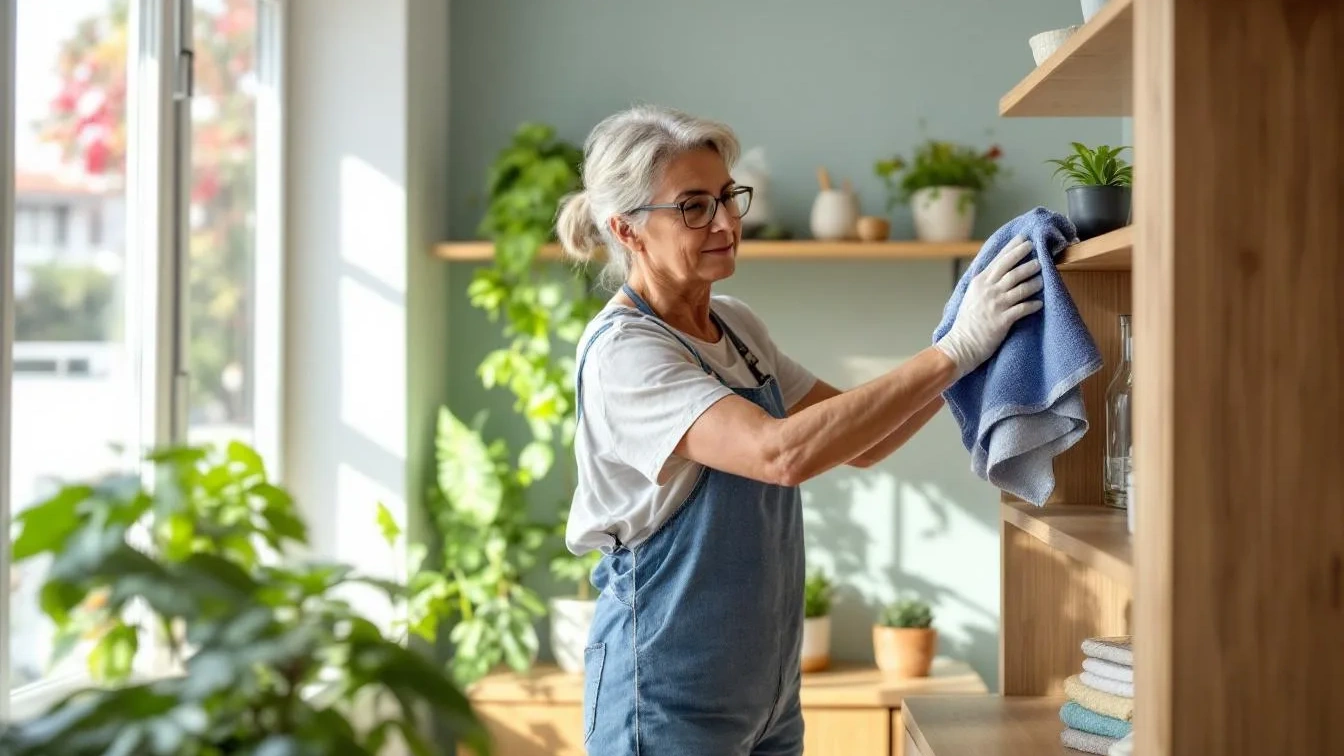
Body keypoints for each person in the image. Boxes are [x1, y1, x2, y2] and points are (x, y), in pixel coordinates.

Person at [556, 105, 1043, 756]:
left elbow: (864, 443)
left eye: (728, 197)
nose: (728, 222)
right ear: (628, 229)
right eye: (694, 207)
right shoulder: (626, 353)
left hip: (767, 696)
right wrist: (954, 351)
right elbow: (778, 453)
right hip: (664, 697)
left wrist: (971, 355)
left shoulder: (738, 327)